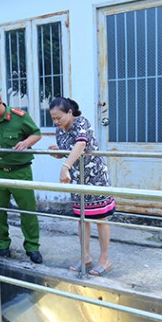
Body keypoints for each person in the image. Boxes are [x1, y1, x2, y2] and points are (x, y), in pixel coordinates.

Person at [0, 87, 43, 264]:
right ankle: (2, 245)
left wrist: (26, 142)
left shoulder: (19, 117)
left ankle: (32, 247)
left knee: (27, 212)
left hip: (20, 172)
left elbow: (36, 133)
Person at [48, 97, 115, 276]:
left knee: (101, 219)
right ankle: (85, 256)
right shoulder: (59, 130)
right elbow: (68, 153)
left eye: (58, 118)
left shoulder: (82, 122)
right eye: (53, 119)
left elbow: (81, 144)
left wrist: (65, 167)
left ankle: (104, 259)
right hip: (77, 179)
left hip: (95, 178)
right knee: (82, 219)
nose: (56, 122)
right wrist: (57, 153)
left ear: (70, 112)